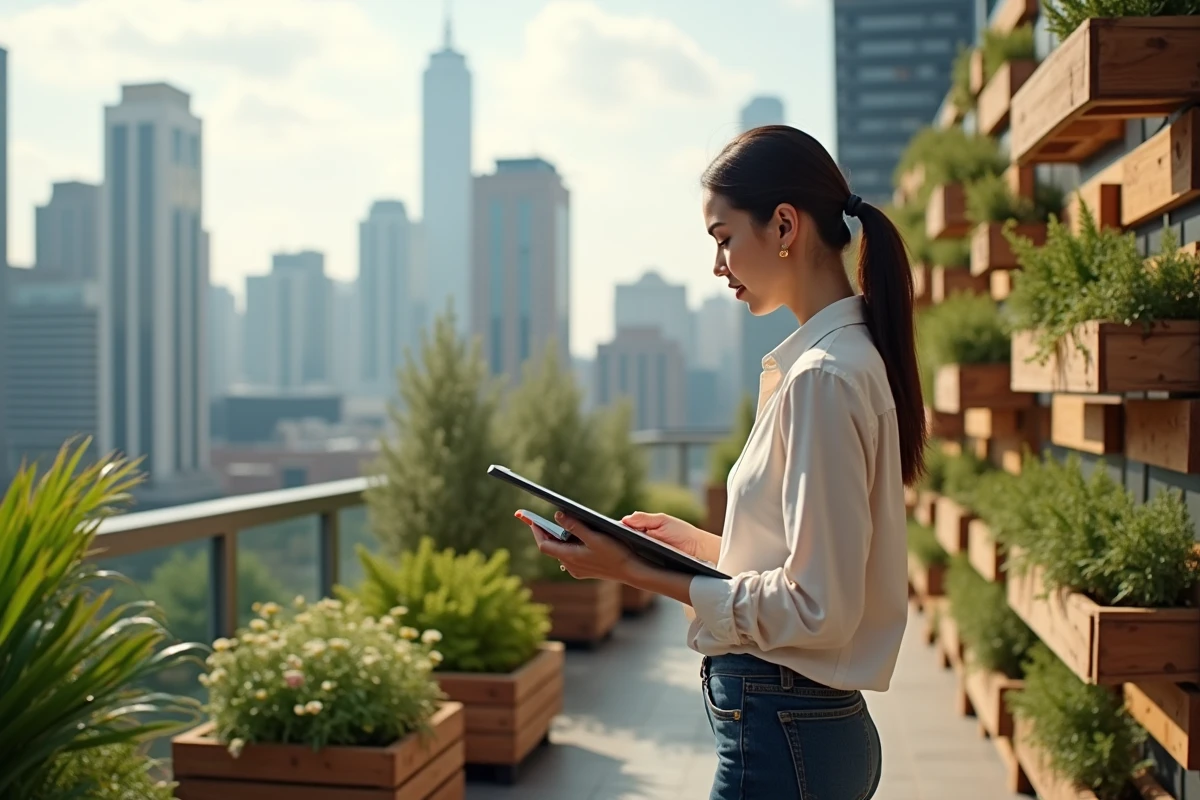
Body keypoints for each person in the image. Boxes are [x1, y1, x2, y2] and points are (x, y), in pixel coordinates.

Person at [518, 125, 925, 800]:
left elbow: (819, 607)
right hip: (800, 729)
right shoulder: (837, 363)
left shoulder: (822, 377)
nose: (717, 265)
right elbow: (810, 566)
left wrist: (634, 571)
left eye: (723, 237)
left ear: (784, 225)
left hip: (783, 729)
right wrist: (700, 549)